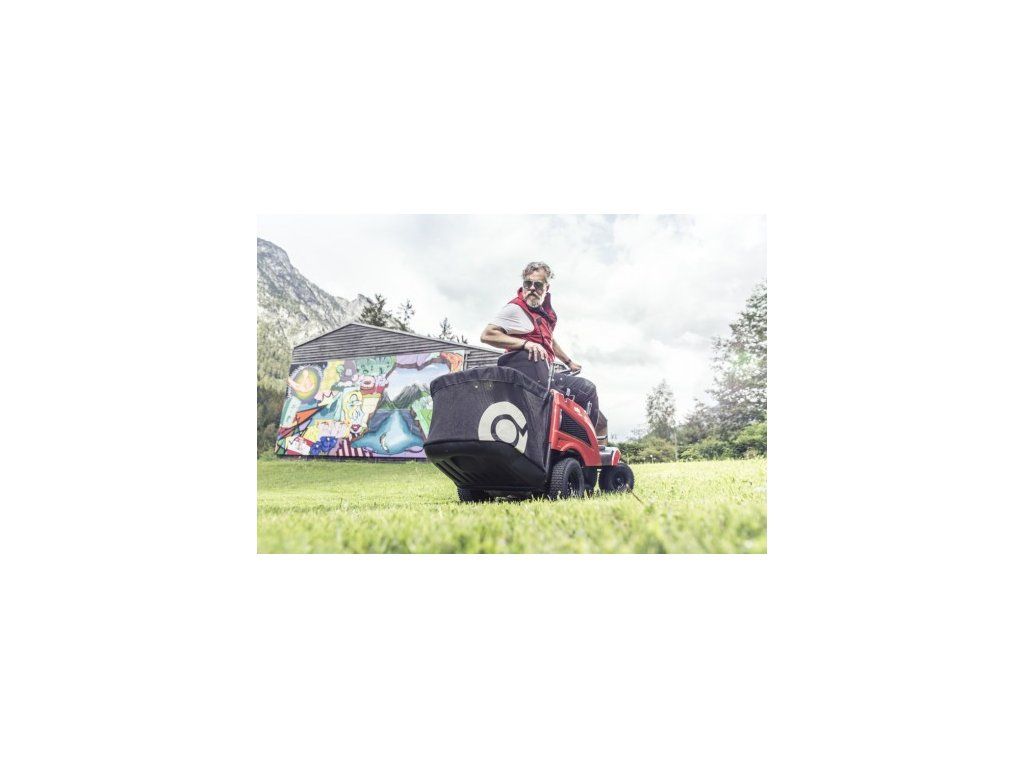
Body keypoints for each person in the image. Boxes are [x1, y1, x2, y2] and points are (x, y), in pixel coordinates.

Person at [480, 261, 609, 445]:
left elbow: (549, 341)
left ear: (547, 288)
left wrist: (568, 361)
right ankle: (585, 444)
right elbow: (487, 334)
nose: (532, 288)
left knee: (590, 405)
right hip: (530, 378)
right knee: (587, 390)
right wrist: (525, 344)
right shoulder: (515, 309)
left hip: (545, 373)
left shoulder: (542, 314)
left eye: (538, 285)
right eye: (528, 284)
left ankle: (576, 440)